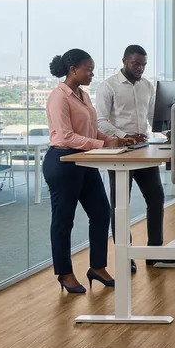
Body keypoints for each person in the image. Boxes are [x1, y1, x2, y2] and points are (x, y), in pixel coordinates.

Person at [43, 49, 134, 294]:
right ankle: (65, 272)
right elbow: (66, 136)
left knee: (102, 212)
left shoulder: (82, 95)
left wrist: (116, 139)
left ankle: (97, 267)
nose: (92, 73)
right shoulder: (58, 97)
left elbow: (91, 131)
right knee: (64, 221)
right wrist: (104, 144)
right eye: (89, 69)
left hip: (84, 160)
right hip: (62, 162)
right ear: (73, 70)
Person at [96, 44, 167, 273]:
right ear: (125, 60)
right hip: (120, 152)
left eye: (144, 65)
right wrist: (124, 136)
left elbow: (154, 117)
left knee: (156, 199)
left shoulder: (147, 86)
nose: (140, 69)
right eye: (136, 64)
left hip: (144, 151)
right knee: (120, 207)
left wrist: (171, 131)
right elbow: (101, 121)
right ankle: (125, 257)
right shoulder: (108, 86)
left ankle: (154, 253)